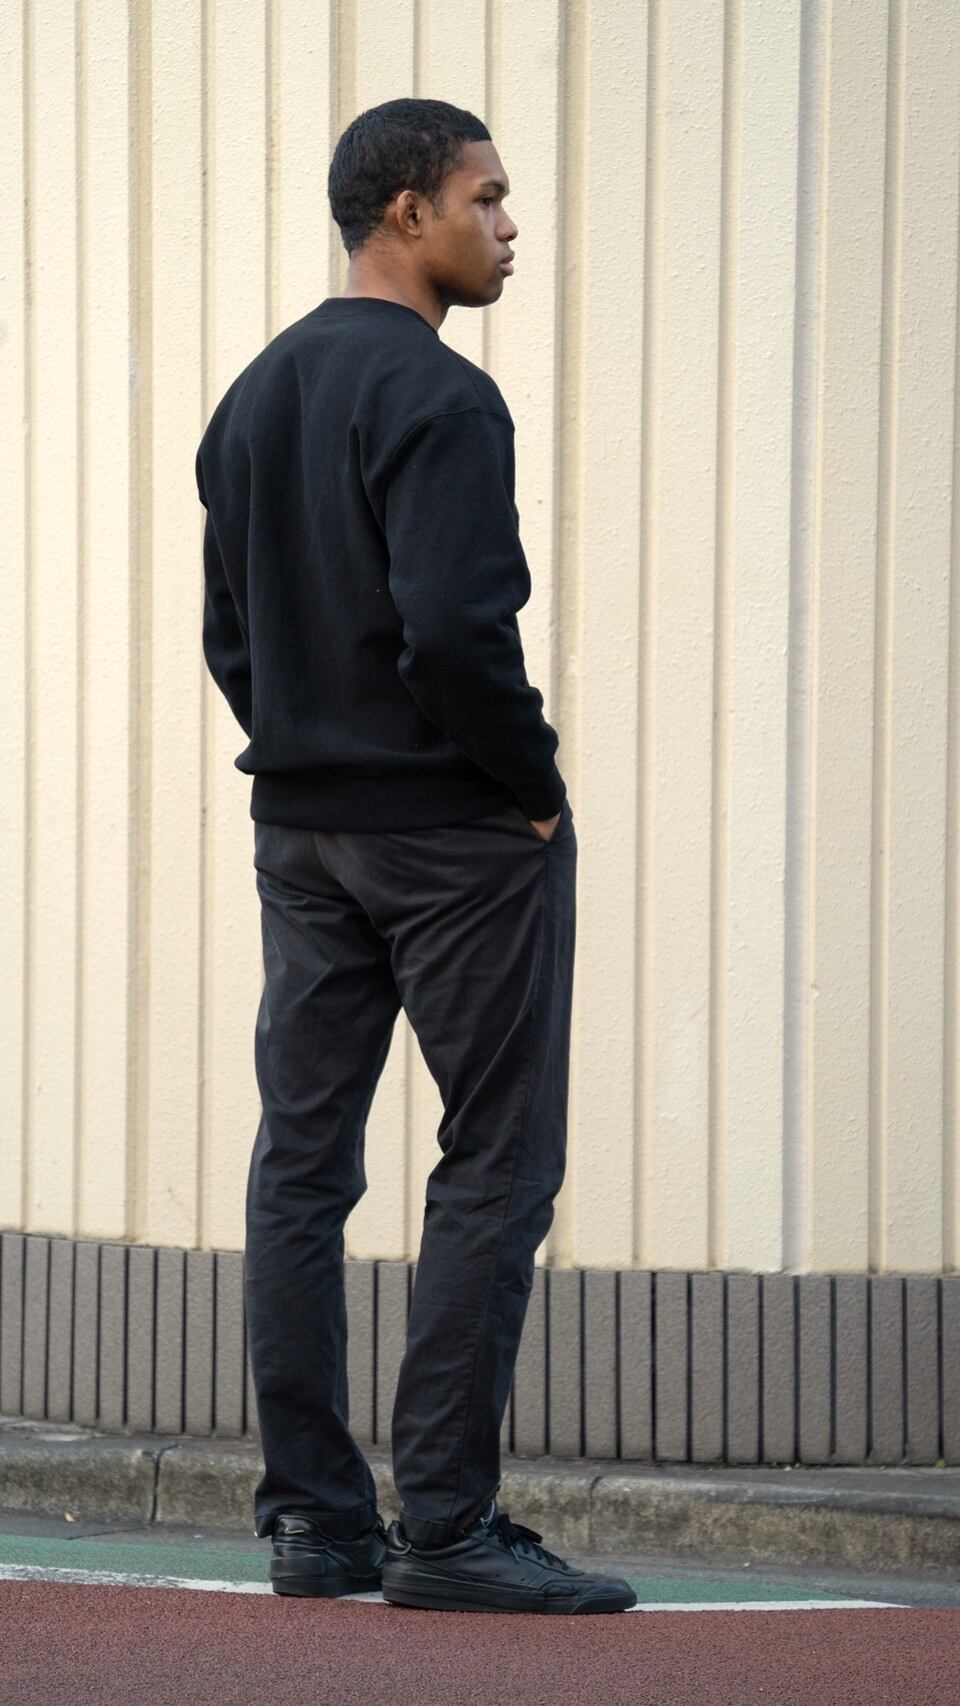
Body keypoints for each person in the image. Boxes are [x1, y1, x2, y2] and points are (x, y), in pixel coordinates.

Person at [196, 95, 636, 1615]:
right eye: (485, 198)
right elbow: (455, 631)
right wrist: (532, 786)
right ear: (408, 213)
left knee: (301, 1163)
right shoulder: (445, 399)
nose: (509, 226)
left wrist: (311, 750)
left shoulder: (254, 398)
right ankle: (445, 1528)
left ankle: (319, 1524)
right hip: (453, 840)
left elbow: (232, 637)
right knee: (495, 1159)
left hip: (303, 832)